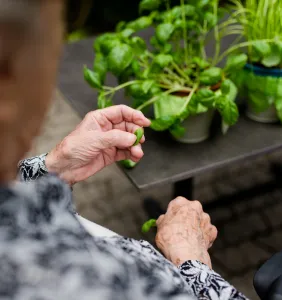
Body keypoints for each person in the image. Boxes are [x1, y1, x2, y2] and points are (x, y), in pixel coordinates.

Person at [0, 0, 248, 299]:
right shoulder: (95, 282)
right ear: (9, 76)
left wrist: (53, 166)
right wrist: (189, 258)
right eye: (54, 52)